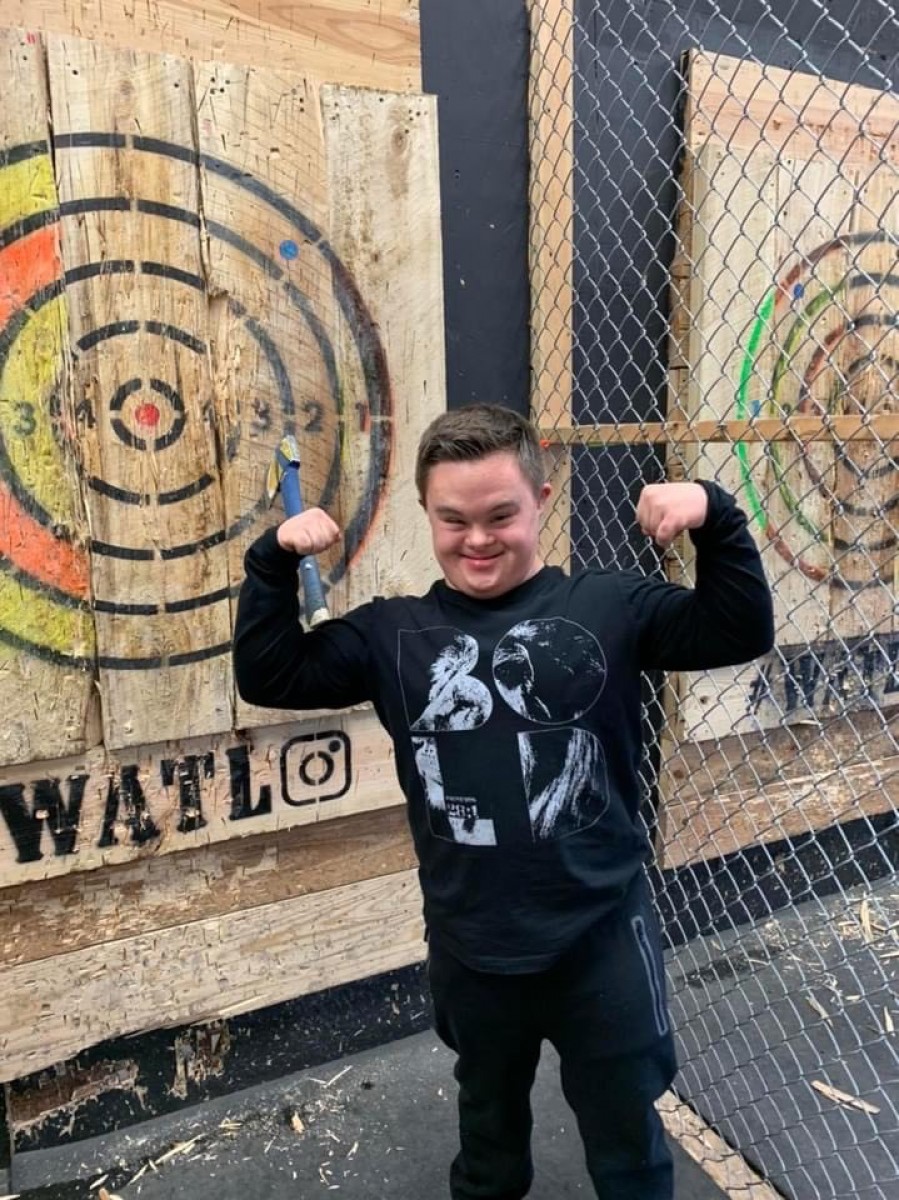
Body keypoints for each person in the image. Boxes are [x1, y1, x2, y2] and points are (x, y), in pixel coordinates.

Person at [233, 403, 774, 1199]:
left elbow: (738, 630)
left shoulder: (607, 607)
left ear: (541, 500)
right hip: (473, 946)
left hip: (600, 937)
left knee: (626, 1141)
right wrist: (272, 562)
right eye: (453, 520)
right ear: (426, 511)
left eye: (499, 516)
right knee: (487, 1138)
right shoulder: (392, 635)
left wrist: (714, 516)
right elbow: (270, 674)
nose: (477, 540)